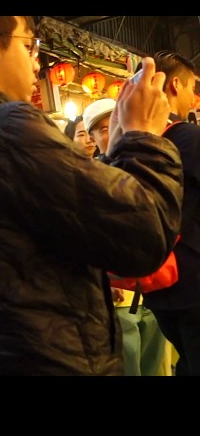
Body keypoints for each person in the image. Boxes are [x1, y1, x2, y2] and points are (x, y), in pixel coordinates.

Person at [0, 16, 183, 375]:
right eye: (29, 46)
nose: (37, 63)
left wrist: (118, 151)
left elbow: (71, 220)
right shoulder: (8, 127)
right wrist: (145, 138)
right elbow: (145, 235)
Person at [83, 97, 168, 376]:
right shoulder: (88, 178)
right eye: (102, 129)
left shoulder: (145, 167)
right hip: (117, 297)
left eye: (115, 123)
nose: (111, 131)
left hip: (156, 291)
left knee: (155, 367)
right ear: (92, 138)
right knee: (129, 367)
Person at [140, 50, 200, 376]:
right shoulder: (188, 137)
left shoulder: (136, 141)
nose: (194, 96)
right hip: (193, 277)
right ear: (175, 84)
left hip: (157, 282)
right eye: (192, 87)